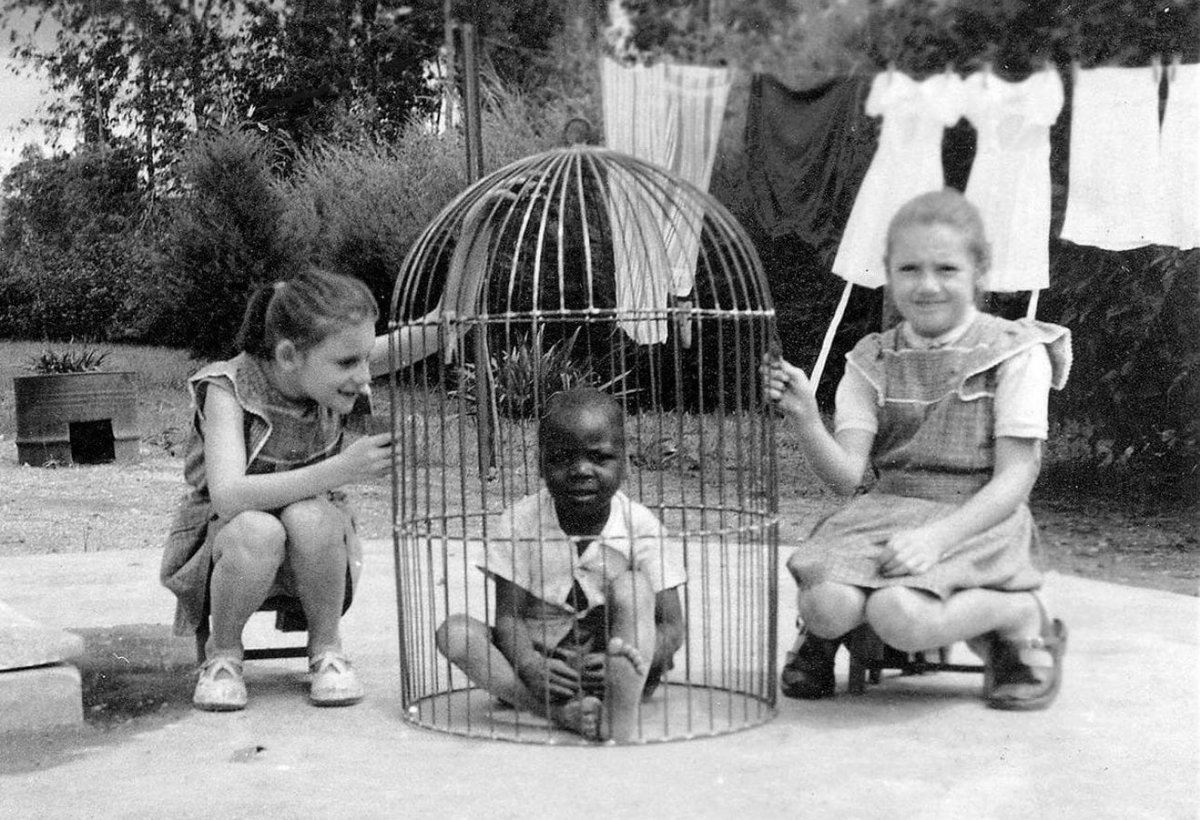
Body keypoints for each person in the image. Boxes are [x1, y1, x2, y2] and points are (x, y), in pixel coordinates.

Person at [763, 189, 1071, 710]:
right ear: (889, 272)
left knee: (900, 616)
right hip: (885, 510)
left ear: (980, 272)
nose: (927, 286)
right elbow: (845, 478)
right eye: (909, 269)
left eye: (946, 269)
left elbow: (1016, 477)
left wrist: (936, 539)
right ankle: (826, 631)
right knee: (825, 603)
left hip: (977, 516)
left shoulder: (1015, 352)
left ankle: (1017, 616)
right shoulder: (872, 358)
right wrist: (807, 418)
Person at [160, 268, 437, 712]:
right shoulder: (226, 389)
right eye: (350, 363)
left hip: (313, 550)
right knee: (258, 529)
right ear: (289, 355)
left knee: (310, 516)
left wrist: (476, 231)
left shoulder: (326, 361)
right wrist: (341, 468)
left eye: (367, 358)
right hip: (224, 551)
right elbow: (228, 497)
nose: (365, 377)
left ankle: (327, 651)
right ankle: (223, 656)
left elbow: (443, 327)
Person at [436, 387, 686, 741]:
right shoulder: (520, 521)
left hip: (619, 664)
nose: (581, 470)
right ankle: (558, 714)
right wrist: (529, 664)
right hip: (544, 675)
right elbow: (508, 617)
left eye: (599, 458)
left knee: (632, 587)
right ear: (541, 463)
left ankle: (618, 707)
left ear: (625, 462)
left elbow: (673, 628)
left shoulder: (640, 526)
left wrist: (641, 655)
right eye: (562, 458)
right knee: (455, 633)